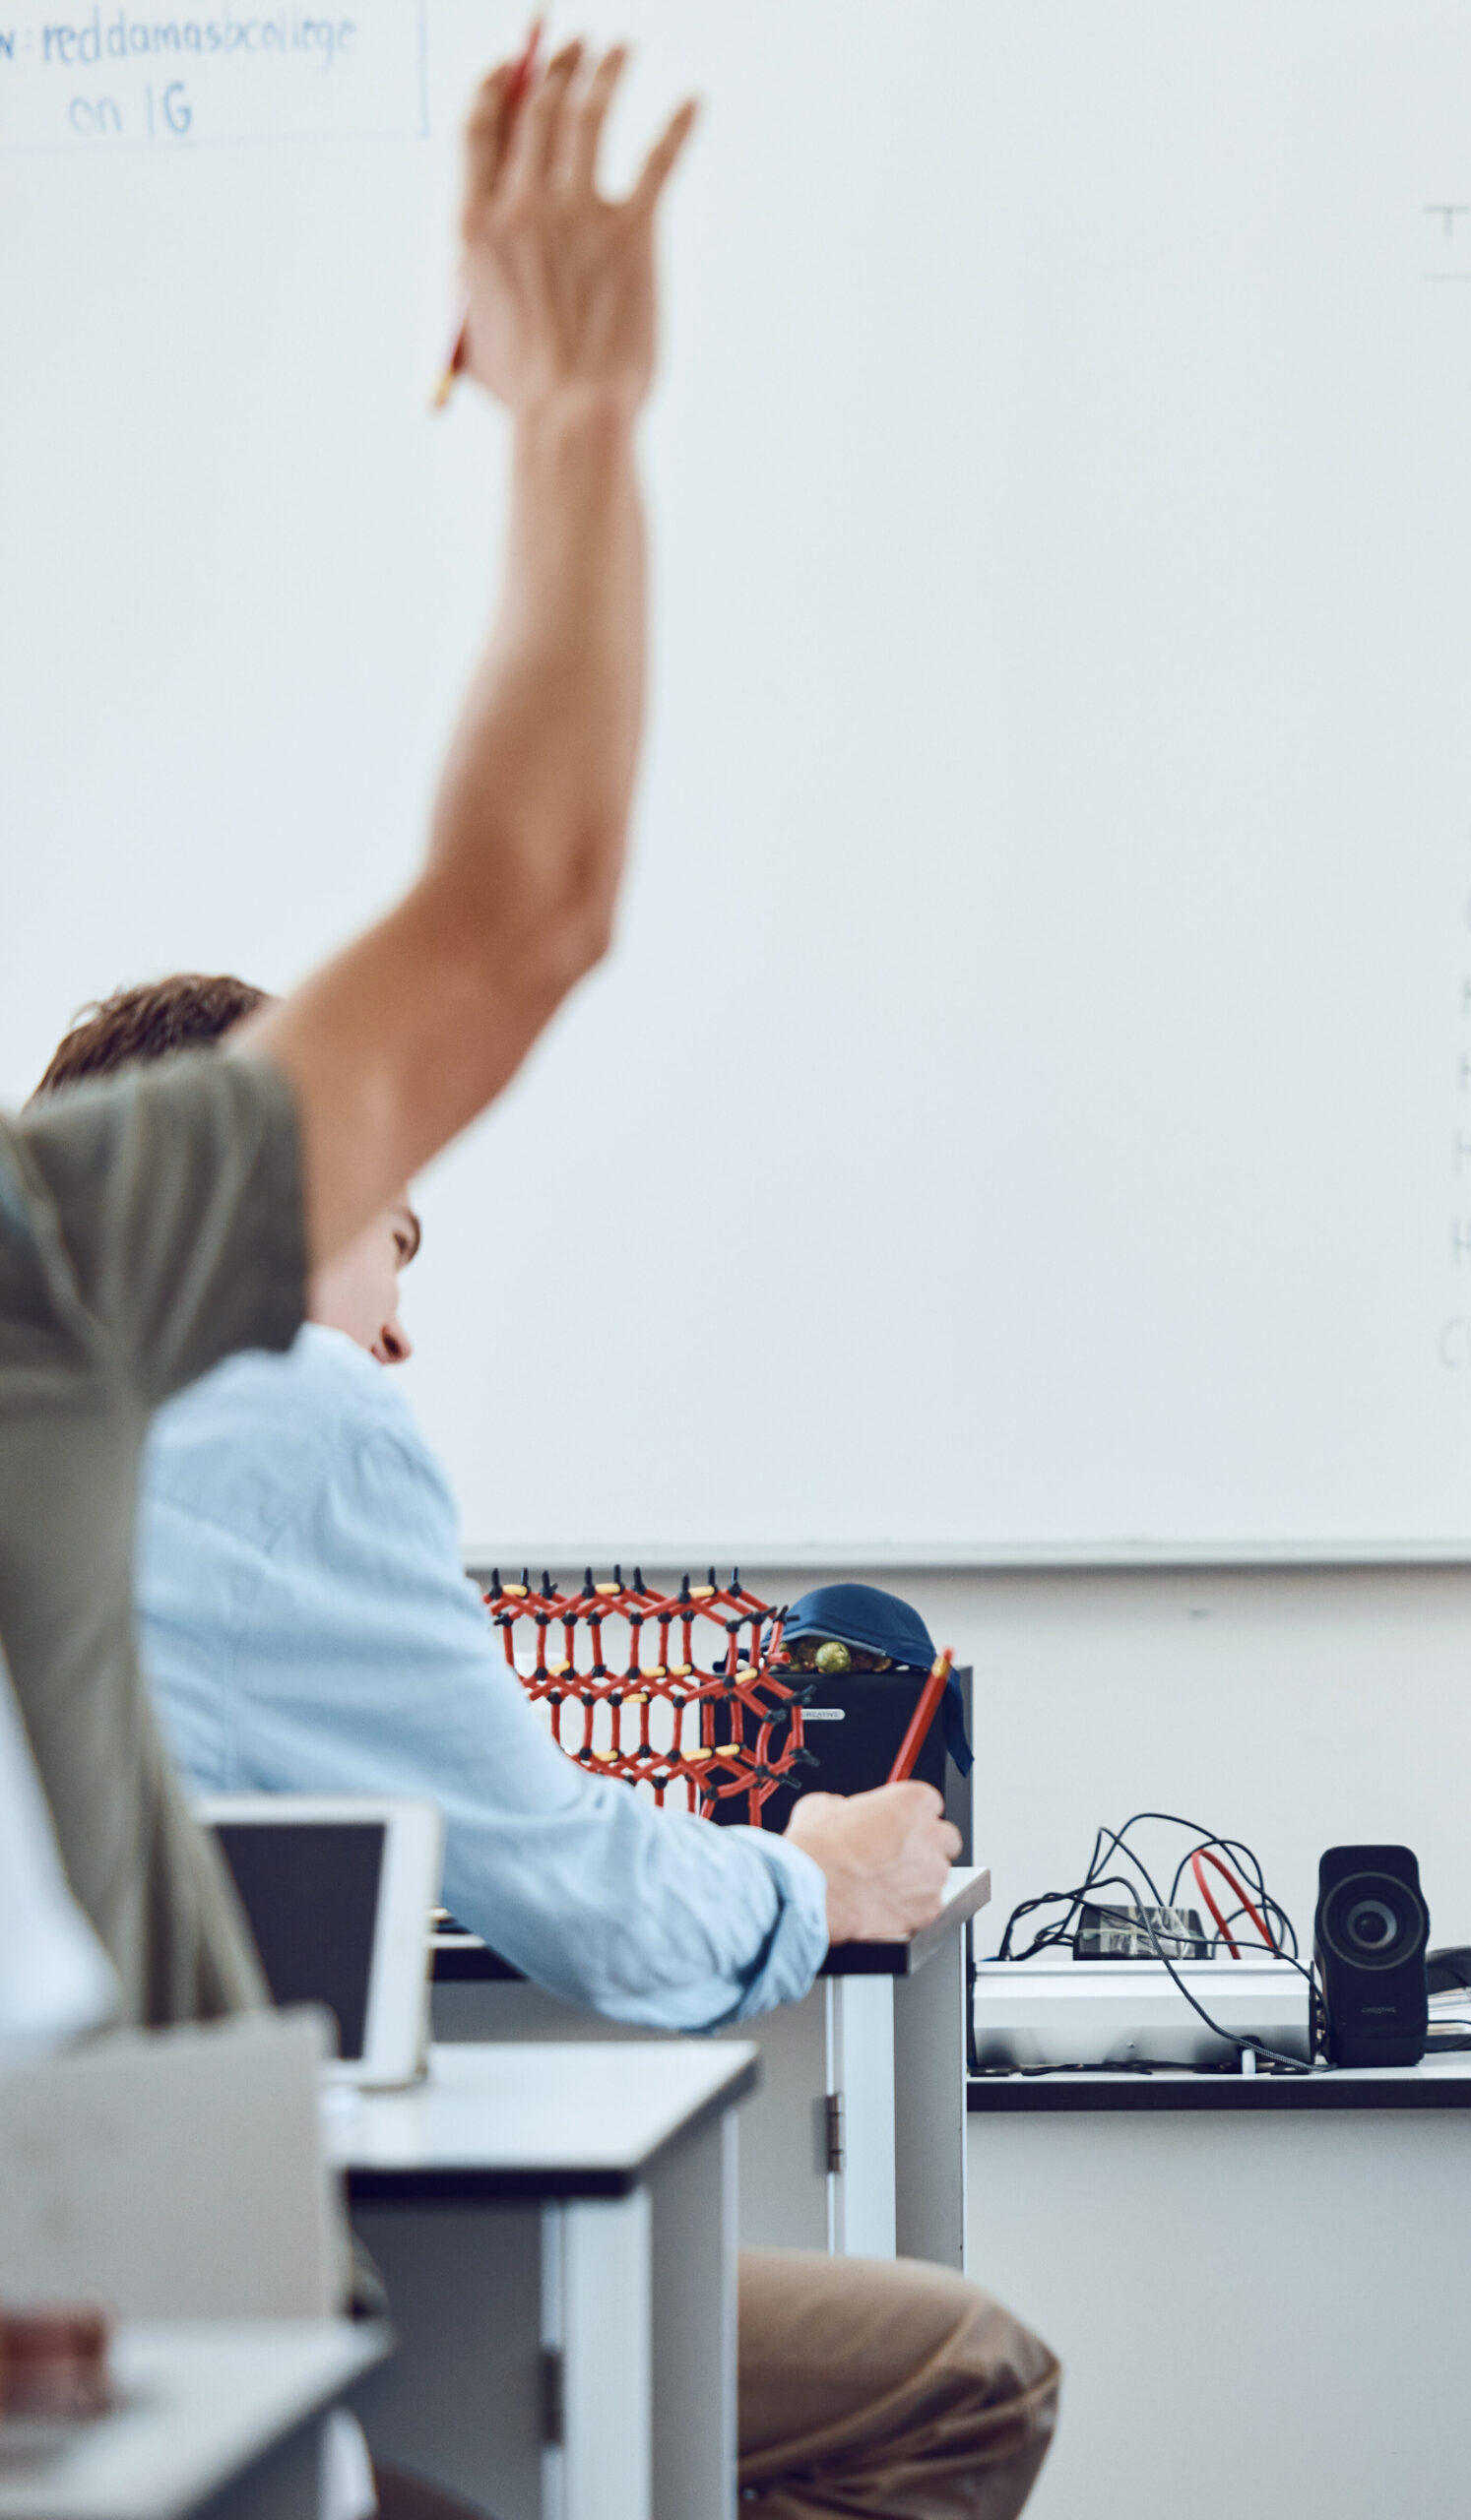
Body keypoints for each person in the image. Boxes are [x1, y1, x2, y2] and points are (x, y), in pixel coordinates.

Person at [38, 976, 1061, 2520]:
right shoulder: (280, 1400)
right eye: (393, 1240)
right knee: (971, 2373)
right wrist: (815, 1870)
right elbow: (592, 1904)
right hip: (161, 2320)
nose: (396, 1333)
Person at [0, 33, 695, 2029]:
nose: (394, 1316)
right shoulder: (60, 1261)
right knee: (947, 2351)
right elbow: (527, 901)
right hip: (106, 2273)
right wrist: (574, 407)